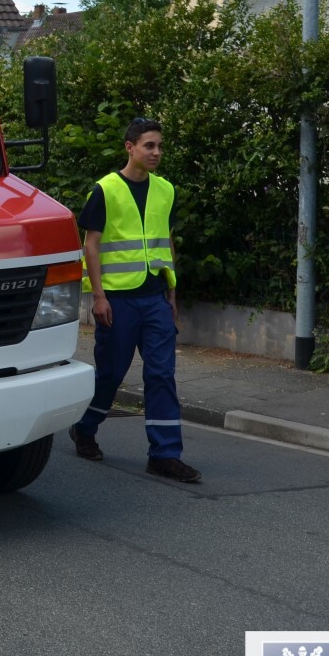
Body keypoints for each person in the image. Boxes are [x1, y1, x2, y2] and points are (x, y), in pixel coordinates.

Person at [69, 117, 200, 483]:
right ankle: (85, 427)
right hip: (118, 301)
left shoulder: (166, 190)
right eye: (149, 146)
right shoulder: (105, 190)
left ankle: (165, 455)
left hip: (155, 299)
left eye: (159, 146)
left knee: (161, 375)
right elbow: (91, 246)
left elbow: (166, 242)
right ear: (130, 147)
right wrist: (98, 296)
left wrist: (172, 294)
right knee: (111, 374)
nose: (156, 152)